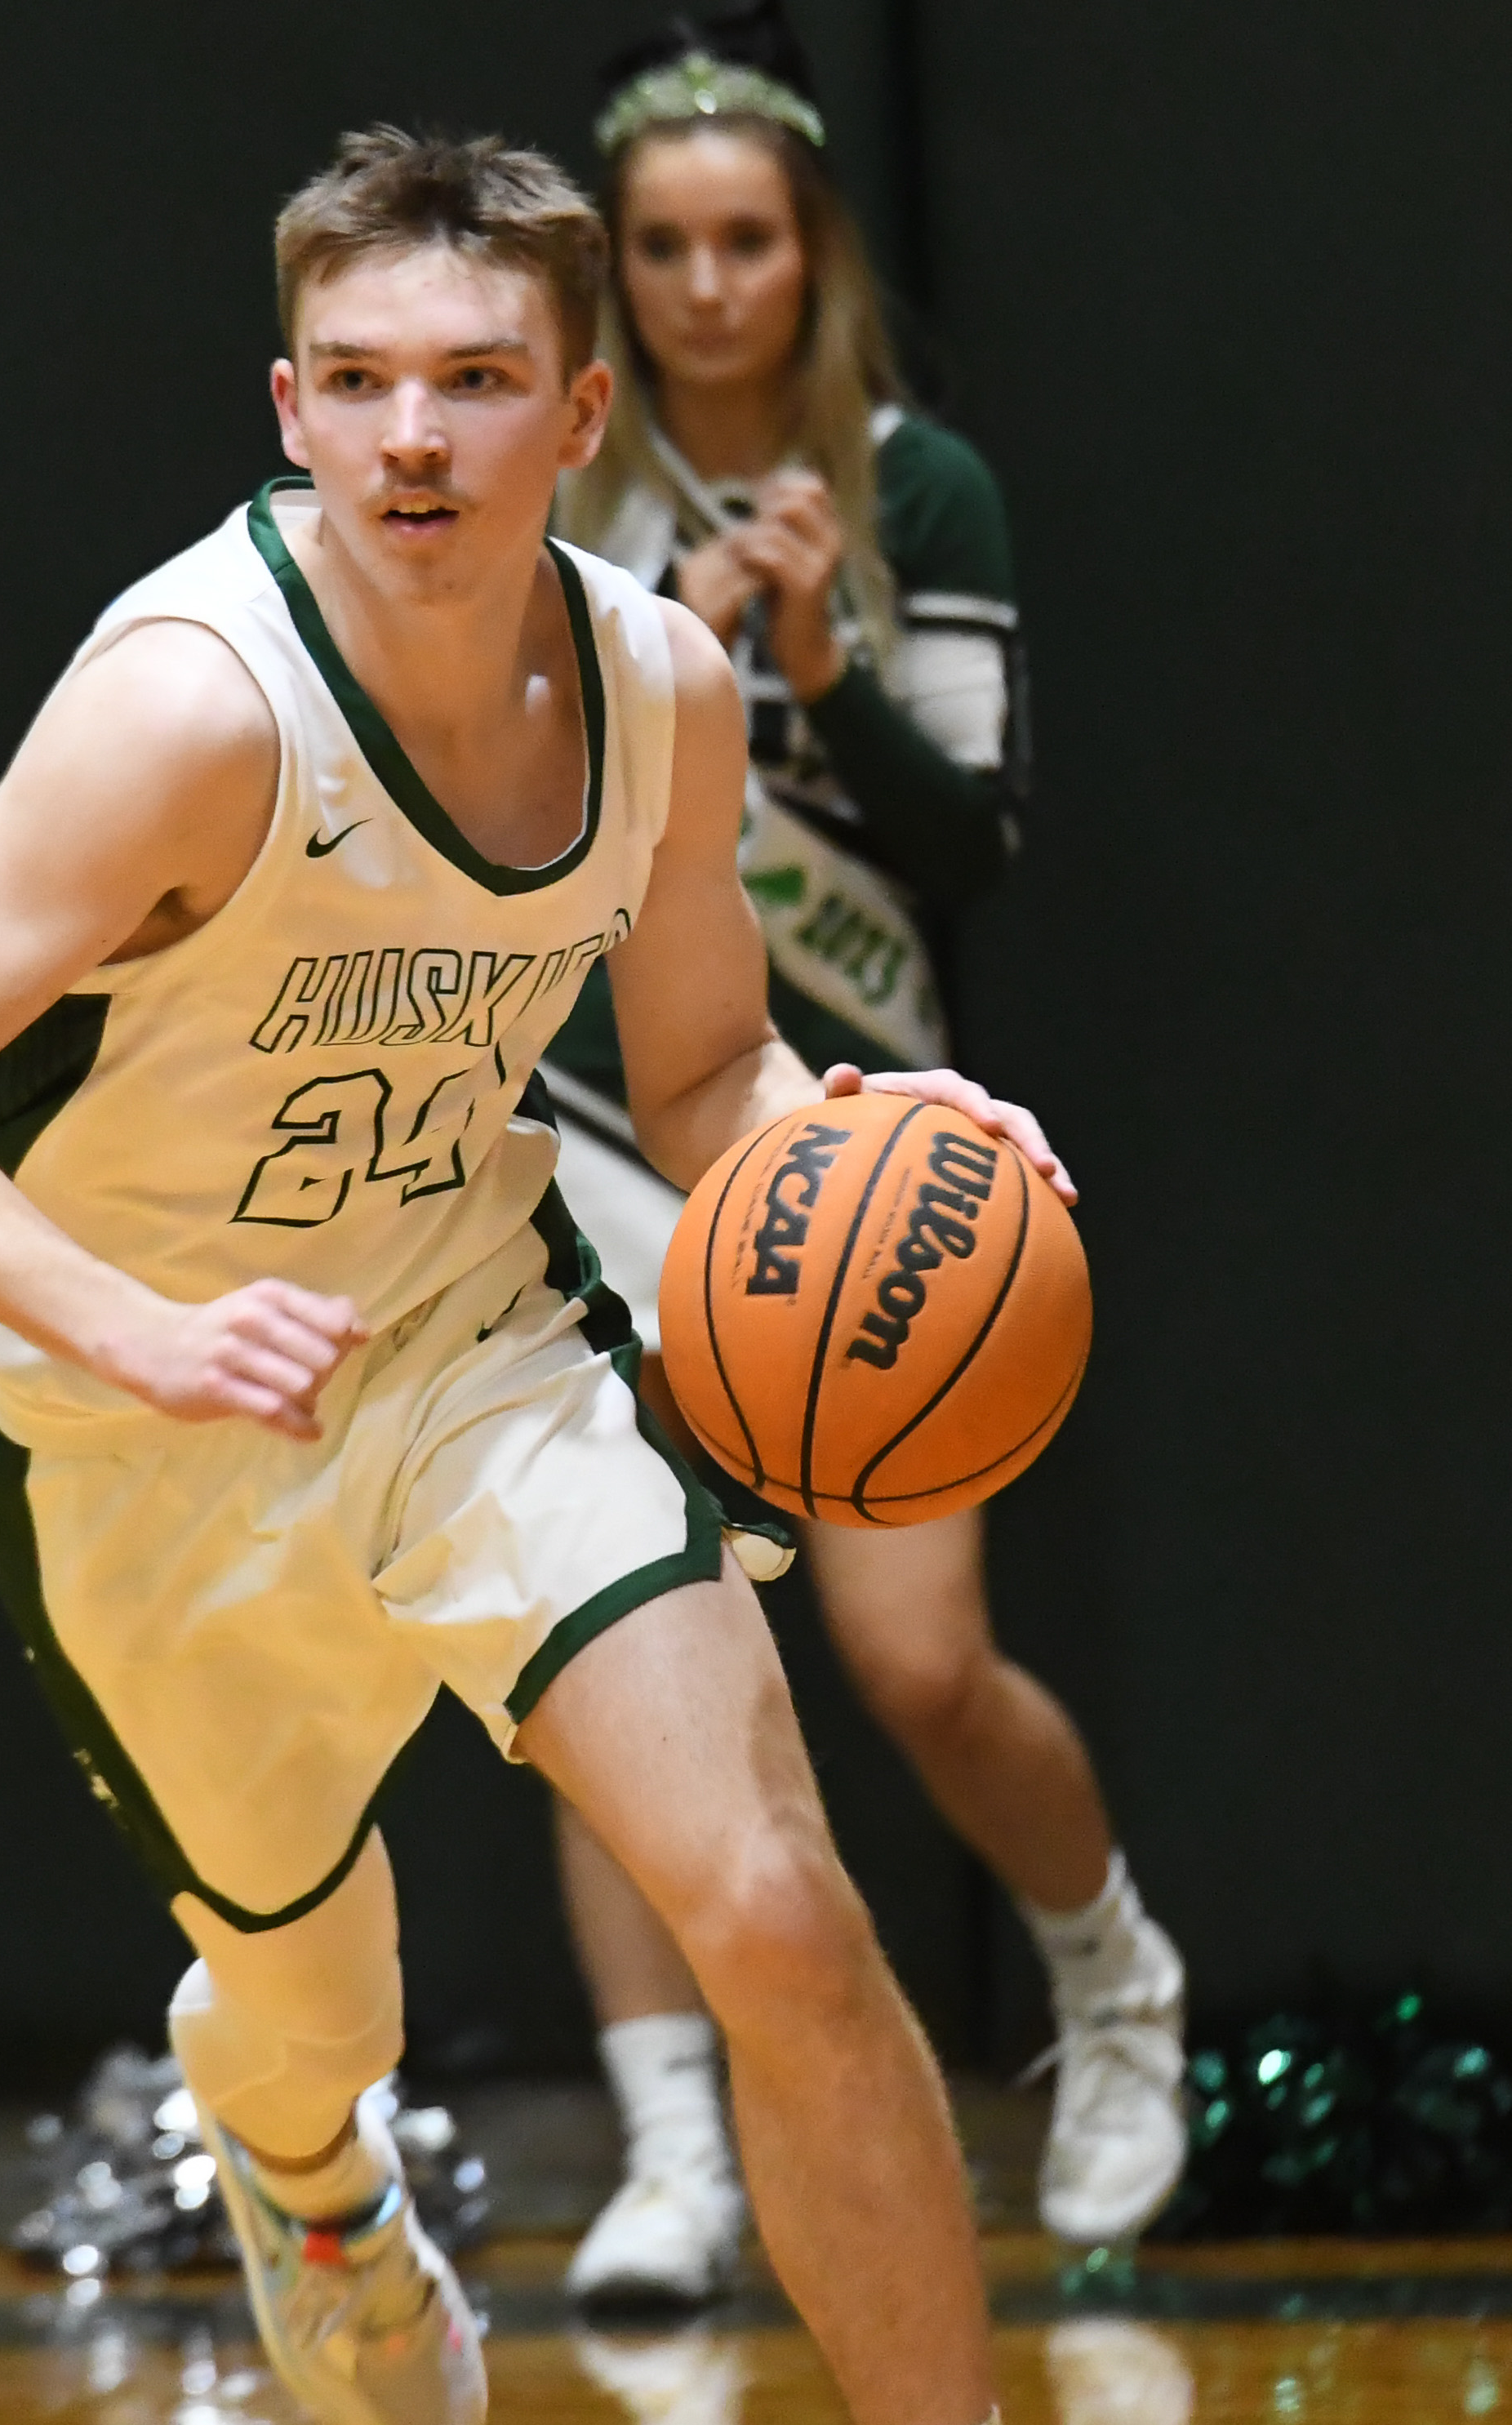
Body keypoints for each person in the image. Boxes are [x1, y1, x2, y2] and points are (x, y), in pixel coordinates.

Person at [0, 127, 1072, 2425]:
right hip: (136, 1430)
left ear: (583, 420)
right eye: (358, 382)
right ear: (291, 409)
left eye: (475, 380)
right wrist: (136, 1325)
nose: (412, 439)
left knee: (775, 1900)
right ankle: (307, 2173)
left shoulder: (656, 684)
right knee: (306, 2010)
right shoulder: (190, 714)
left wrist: (897, 1159)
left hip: (476, 1343)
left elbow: (702, 1070)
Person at [529, 1, 1190, 2302]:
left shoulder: (921, 491)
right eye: (668, 247)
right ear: (609, 269)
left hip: (846, 1143)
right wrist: (656, 668)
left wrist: (806, 653)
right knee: (618, 1652)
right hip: (588, 1127)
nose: (714, 285)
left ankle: (1114, 1987)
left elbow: (971, 844)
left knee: (914, 1661)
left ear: (817, 258)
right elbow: (492, 830)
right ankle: (674, 2153)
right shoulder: (554, 498)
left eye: (753, 241)